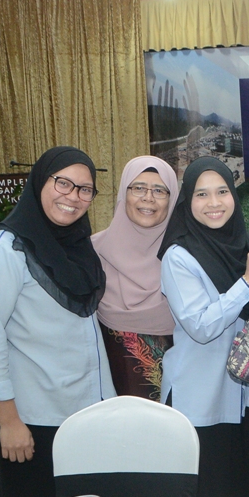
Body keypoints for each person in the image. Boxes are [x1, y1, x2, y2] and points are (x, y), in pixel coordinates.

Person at [0, 146, 116, 497]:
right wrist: (9, 422)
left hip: (84, 414)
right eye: (63, 183)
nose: (73, 196)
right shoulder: (1, 250)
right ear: (39, 183)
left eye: (85, 189)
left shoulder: (76, 246)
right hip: (32, 419)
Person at [158, 157, 249, 497]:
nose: (214, 203)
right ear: (188, 201)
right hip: (200, 401)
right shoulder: (179, 257)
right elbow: (202, 326)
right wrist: (248, 281)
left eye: (222, 192)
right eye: (202, 194)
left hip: (245, 400)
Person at [91, 156, 178, 400]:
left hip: (181, 395)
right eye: (138, 188)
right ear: (123, 193)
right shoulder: (92, 252)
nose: (148, 198)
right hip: (109, 395)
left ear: (172, 199)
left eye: (159, 190)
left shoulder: (184, 258)